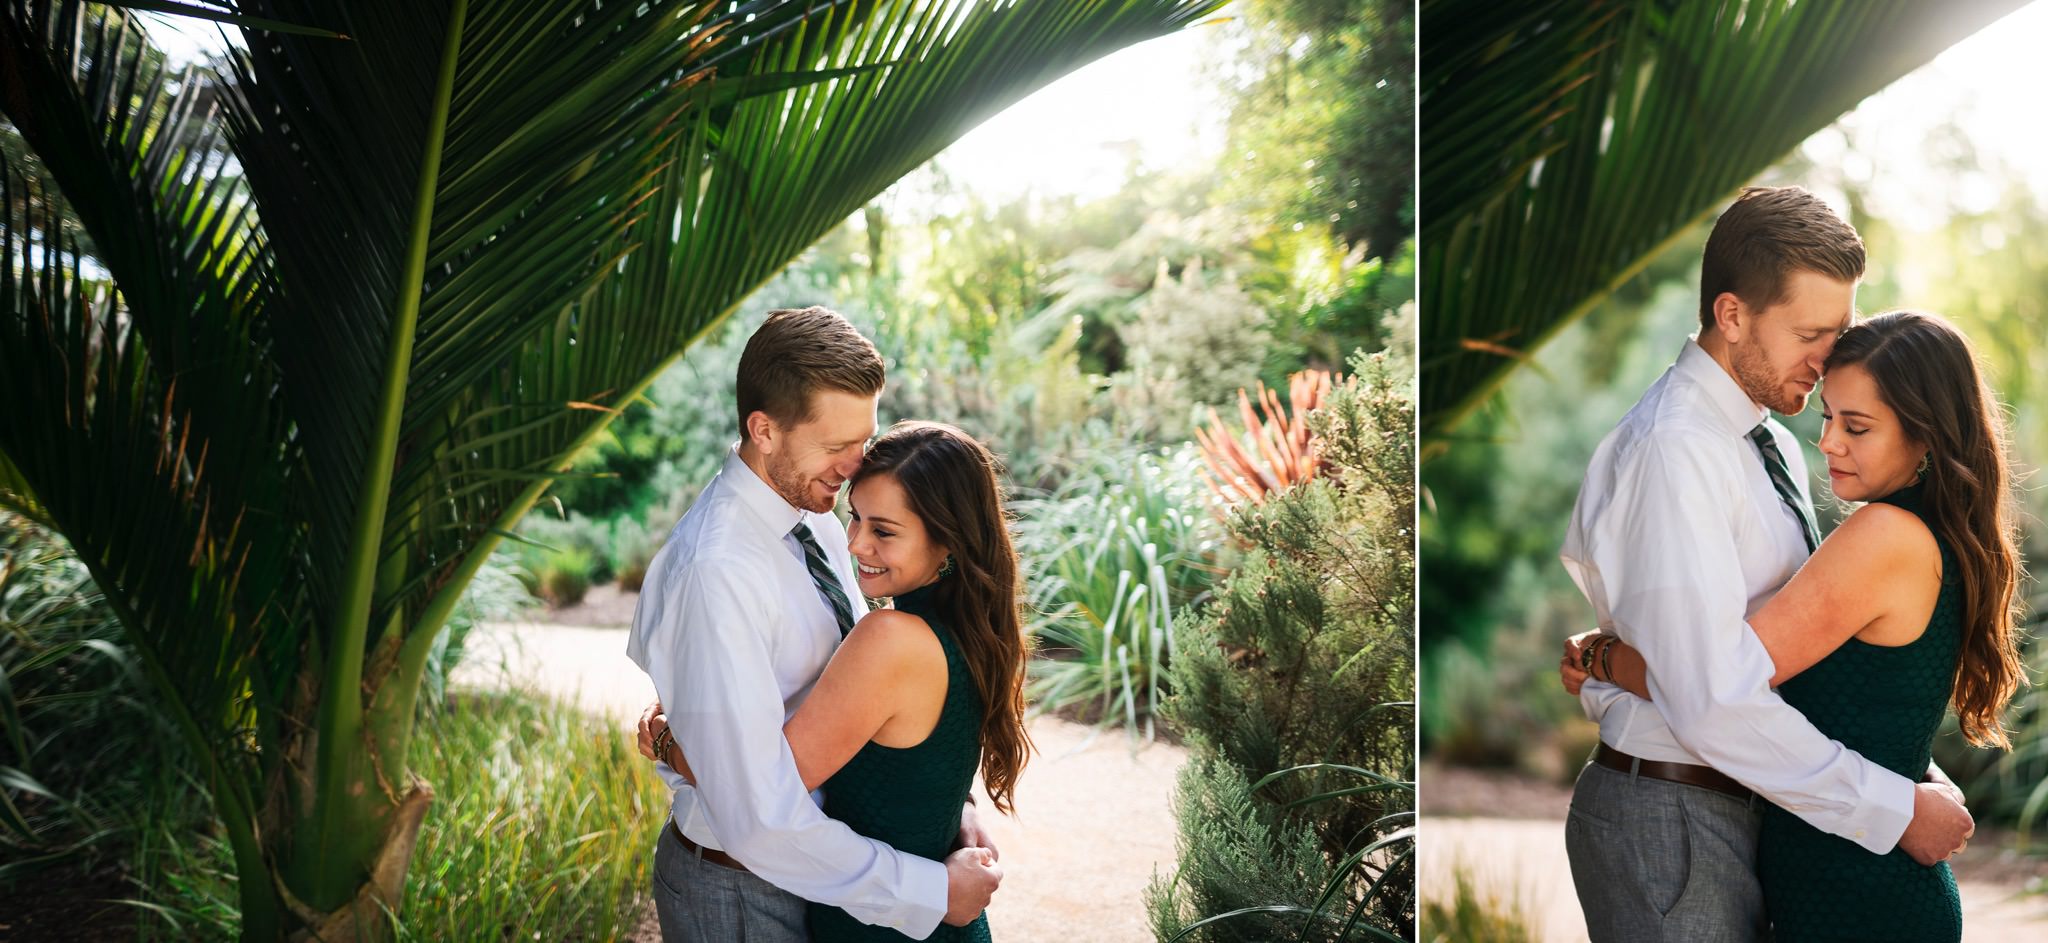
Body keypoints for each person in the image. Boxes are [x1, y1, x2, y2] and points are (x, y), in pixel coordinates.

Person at [1551, 186, 1976, 943]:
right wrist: (1889, 805)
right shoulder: (1675, 448)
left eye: (1840, 329)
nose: (1832, 357)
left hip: (1749, 810)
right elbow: (1712, 694)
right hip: (1672, 816)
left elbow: (1784, 651)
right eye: (1812, 331)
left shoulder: (1769, 438)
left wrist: (1614, 654)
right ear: (1732, 314)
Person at [625, 307, 1002, 942]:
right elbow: (756, 817)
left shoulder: (822, 518)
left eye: (863, 440)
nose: (856, 465)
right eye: (836, 446)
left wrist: (946, 809)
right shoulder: (716, 571)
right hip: (745, 892)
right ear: (763, 429)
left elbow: (876, 700)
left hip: (829, 876)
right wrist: (931, 891)